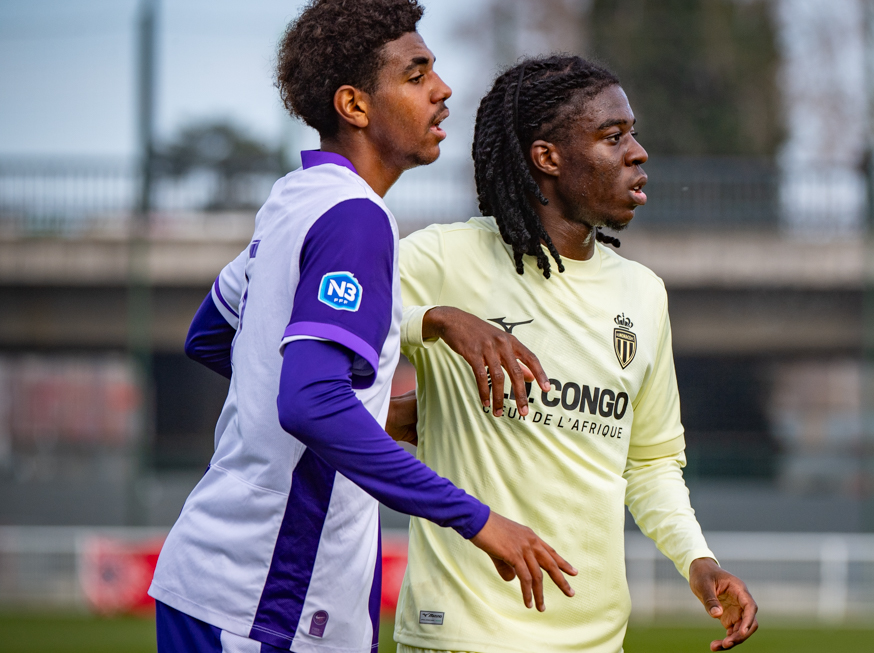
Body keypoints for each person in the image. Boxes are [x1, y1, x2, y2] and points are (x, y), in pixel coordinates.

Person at [149, 3, 575, 652]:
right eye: (416, 74)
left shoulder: (294, 200)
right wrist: (481, 520)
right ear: (354, 105)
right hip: (268, 604)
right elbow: (311, 400)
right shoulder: (357, 218)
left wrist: (370, 409)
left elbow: (213, 334)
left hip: (213, 582)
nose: (443, 88)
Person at [387, 55, 759, 653]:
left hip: (593, 640)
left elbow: (651, 463)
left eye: (632, 134)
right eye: (613, 137)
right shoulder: (443, 259)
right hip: (460, 635)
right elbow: (302, 313)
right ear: (548, 157)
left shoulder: (643, 294)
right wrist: (436, 321)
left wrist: (697, 559)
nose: (637, 152)